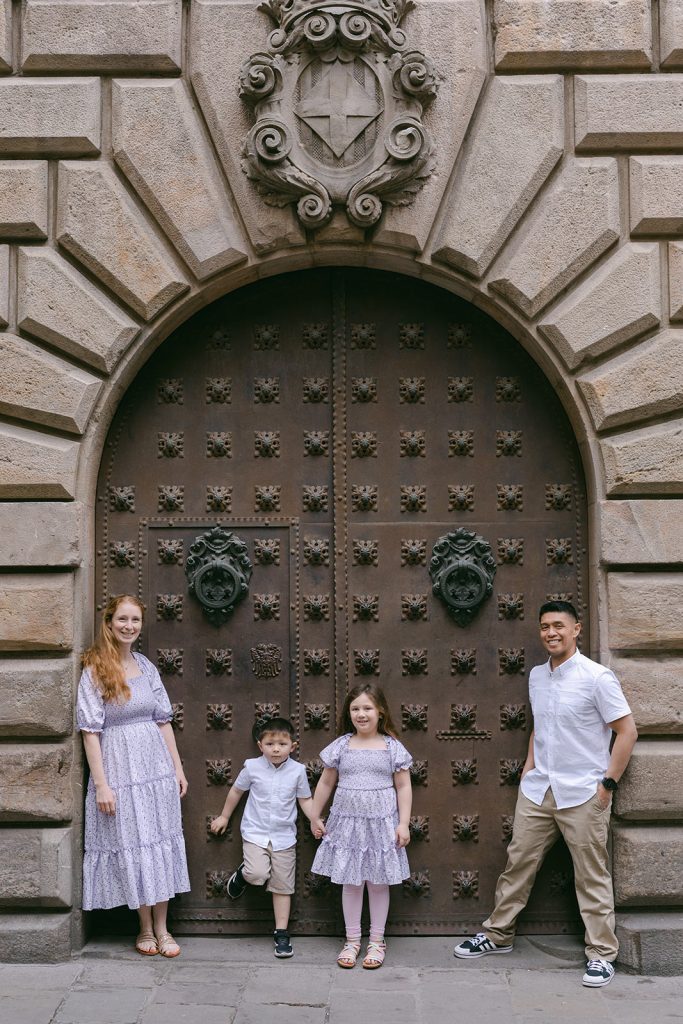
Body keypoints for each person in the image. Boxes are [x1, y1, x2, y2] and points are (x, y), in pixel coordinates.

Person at [454, 600, 638, 987]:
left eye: (558, 625)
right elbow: (541, 727)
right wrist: (528, 769)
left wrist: (607, 785)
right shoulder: (538, 675)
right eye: (544, 627)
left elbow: (627, 731)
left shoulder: (597, 677)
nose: (550, 633)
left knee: (591, 875)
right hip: (540, 790)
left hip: (584, 792)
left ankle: (602, 954)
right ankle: (498, 934)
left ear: (576, 630)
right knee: (517, 863)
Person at [77, 595, 190, 958]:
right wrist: (102, 784)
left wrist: (177, 768)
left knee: (158, 839)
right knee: (134, 842)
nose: (129, 626)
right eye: (122, 619)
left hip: (155, 768)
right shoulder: (95, 669)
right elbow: (90, 731)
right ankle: (144, 927)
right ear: (109, 623)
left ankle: (163, 927)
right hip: (120, 767)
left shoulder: (145, 665)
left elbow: (163, 720)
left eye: (135, 620)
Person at [309, 683, 413, 970]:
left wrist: (403, 823)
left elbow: (403, 786)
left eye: (367, 708)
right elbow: (327, 781)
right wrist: (315, 815)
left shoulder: (392, 747)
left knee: (378, 884)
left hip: (381, 824)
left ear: (380, 711)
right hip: (347, 825)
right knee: (351, 883)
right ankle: (352, 940)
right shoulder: (342, 745)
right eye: (355, 709)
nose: (361, 714)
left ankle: (377, 941)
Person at [210, 716, 314, 958]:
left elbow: (305, 800)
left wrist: (315, 821)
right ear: (260, 745)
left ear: (292, 746)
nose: (276, 749)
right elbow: (237, 791)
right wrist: (224, 817)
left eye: (281, 744)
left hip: (284, 837)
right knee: (257, 873)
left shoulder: (298, 772)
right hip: (256, 833)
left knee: (282, 887)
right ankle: (243, 876)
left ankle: (281, 933)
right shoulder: (252, 767)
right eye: (269, 744)